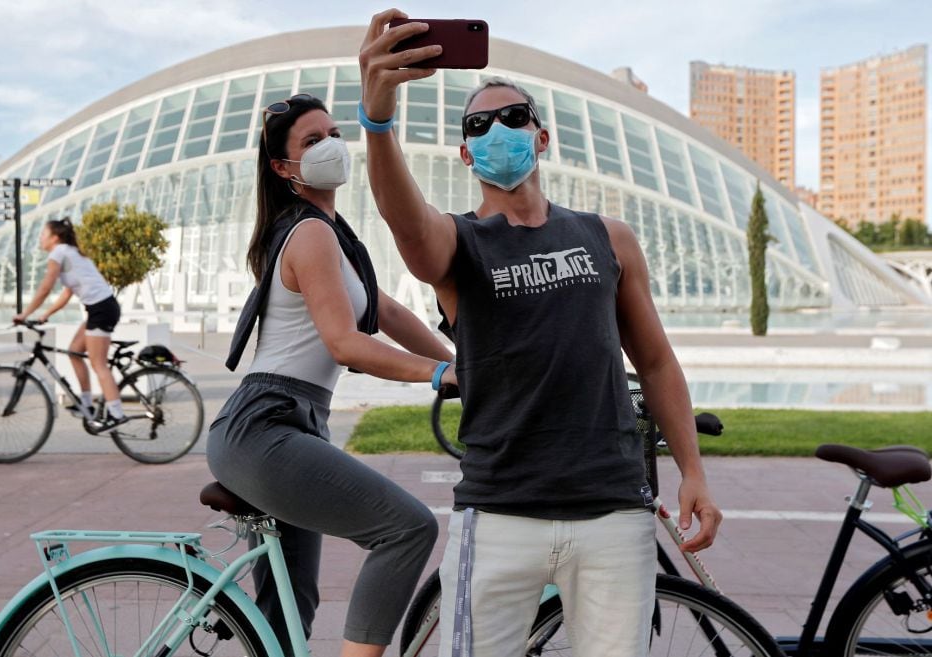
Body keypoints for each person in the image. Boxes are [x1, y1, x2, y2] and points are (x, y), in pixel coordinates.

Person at [358, 11, 723, 657]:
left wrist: (692, 468)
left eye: (514, 117)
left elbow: (658, 362)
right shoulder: (459, 241)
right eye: (479, 125)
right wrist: (379, 121)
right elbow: (405, 222)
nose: (498, 129)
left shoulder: (609, 236)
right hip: (499, 515)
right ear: (466, 153)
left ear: (542, 136)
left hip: (612, 510)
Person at [207, 93, 455, 657]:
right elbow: (347, 343)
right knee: (407, 529)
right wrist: (440, 373)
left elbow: (388, 314)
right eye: (312, 141)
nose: (332, 147)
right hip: (265, 427)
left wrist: (464, 363)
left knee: (288, 617)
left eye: (335, 133)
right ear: (283, 167)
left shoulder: (334, 235)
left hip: (285, 426)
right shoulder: (310, 234)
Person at [13, 218, 127, 431]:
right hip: (100, 308)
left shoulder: (58, 253)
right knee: (74, 352)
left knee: (98, 364)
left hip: (102, 309)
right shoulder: (70, 252)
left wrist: (25, 313)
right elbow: (67, 293)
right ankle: (85, 405)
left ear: (54, 238)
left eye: (43, 234)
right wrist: (46, 314)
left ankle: (116, 414)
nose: (40, 238)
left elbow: (46, 287)